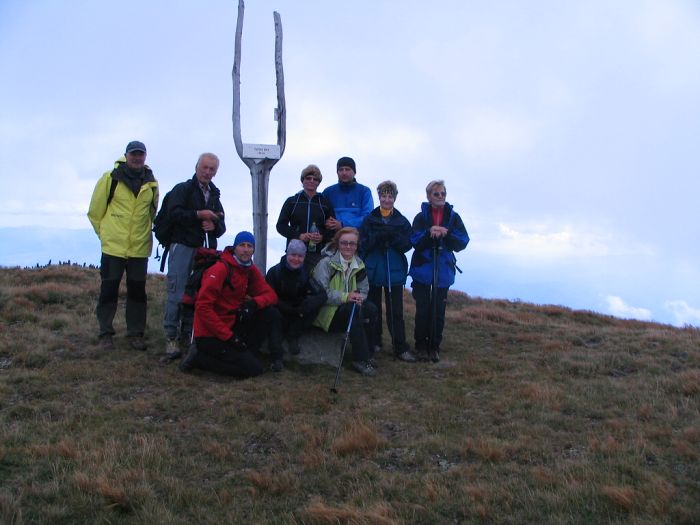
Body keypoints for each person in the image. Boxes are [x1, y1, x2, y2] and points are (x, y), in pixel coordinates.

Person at [87, 140, 159, 351]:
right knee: (108, 291)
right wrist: (106, 236)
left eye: (140, 154)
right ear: (126, 155)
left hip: (139, 247)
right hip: (113, 248)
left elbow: (151, 213)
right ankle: (105, 333)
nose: (137, 158)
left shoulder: (152, 182)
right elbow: (95, 211)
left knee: (138, 293)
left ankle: (136, 334)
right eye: (133, 154)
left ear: (145, 157)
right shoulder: (111, 178)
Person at [179, 231, 278, 378]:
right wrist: (229, 337)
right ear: (234, 248)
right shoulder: (220, 269)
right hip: (209, 334)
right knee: (254, 370)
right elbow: (203, 307)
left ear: (253, 250)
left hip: (231, 324)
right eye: (241, 245)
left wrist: (253, 304)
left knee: (269, 313)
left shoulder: (248, 269)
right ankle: (198, 359)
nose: (245, 249)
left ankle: (245, 354)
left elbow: (271, 296)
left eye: (249, 246)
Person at [162, 153, 226, 359]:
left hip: (205, 252)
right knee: (178, 291)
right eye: (205, 168)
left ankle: (189, 335)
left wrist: (214, 224)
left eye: (212, 169)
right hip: (182, 246)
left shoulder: (214, 195)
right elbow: (173, 214)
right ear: (197, 166)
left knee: (200, 294)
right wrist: (198, 215)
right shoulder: (183, 189)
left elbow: (222, 226)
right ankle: (171, 337)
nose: (208, 172)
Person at [409, 180, 469, 363]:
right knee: (423, 310)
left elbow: (463, 241)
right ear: (428, 196)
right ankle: (420, 346)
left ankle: (434, 347)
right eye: (436, 194)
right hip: (422, 270)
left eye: (443, 194)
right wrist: (429, 233)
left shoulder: (453, 217)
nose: (440, 197)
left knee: (438, 310)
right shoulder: (420, 217)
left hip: (442, 271)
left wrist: (446, 233)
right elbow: (414, 240)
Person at [359, 180, 416, 362]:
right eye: (383, 196)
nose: (386, 199)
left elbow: (409, 243)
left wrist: (394, 240)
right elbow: (363, 243)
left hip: (394, 271)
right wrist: (376, 238)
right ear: (379, 197)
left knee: (396, 312)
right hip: (374, 270)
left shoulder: (401, 221)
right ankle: (374, 343)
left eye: (390, 196)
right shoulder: (370, 219)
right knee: (373, 309)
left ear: (395, 198)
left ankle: (400, 347)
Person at [312, 227, 378, 376]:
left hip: (350, 307)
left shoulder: (359, 264)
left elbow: (364, 288)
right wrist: (346, 297)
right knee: (351, 310)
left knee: (372, 309)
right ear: (337, 244)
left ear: (356, 246)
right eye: (344, 243)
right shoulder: (326, 264)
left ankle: (368, 353)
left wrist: (359, 297)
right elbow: (321, 294)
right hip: (328, 314)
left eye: (352, 244)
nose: (348, 247)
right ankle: (360, 359)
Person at [263, 239, 328, 371]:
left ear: (304, 257)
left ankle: (293, 335)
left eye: (300, 256)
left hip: (298, 312)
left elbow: (322, 295)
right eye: (293, 255)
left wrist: (307, 305)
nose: (296, 259)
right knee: (271, 313)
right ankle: (277, 358)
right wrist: (288, 309)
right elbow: (269, 297)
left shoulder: (306, 274)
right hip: (279, 310)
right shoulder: (274, 272)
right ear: (287, 254)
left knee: (315, 307)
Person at [276, 164, 335, 268]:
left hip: (317, 253)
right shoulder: (292, 201)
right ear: (302, 180)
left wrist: (322, 237)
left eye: (315, 179)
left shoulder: (325, 203)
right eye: (308, 178)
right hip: (294, 252)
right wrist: (299, 235)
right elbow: (280, 226)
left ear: (318, 183)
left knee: (316, 283)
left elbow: (332, 229)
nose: (311, 181)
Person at [322, 156, 373, 233]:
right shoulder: (328, 192)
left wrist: (343, 224)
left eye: (347, 169)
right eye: (341, 170)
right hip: (332, 237)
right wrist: (327, 222)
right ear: (337, 172)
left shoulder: (364, 191)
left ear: (354, 172)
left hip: (357, 237)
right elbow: (320, 214)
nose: (344, 173)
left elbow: (368, 216)